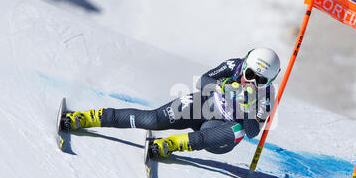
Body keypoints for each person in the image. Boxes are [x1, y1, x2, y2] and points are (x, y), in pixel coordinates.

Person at [61, 47, 281, 159]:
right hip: (206, 105)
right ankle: (87, 118)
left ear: (269, 81)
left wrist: (246, 107)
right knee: (153, 119)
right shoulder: (234, 64)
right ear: (245, 66)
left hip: (222, 131)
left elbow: (252, 132)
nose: (251, 81)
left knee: (229, 131)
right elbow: (203, 81)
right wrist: (220, 86)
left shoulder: (267, 95)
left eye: (260, 80)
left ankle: (170, 145)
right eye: (250, 73)